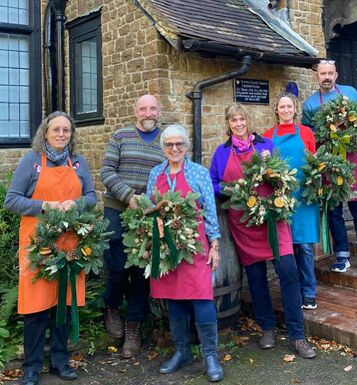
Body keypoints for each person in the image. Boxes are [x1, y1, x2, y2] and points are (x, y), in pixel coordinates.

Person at [210, 103, 316, 359]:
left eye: (242, 119)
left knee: (289, 275)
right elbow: (213, 182)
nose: (238, 124)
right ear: (228, 124)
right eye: (233, 120)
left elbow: (280, 175)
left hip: (272, 219)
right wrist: (229, 190)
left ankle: (297, 335)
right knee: (256, 280)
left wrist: (276, 181)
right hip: (244, 224)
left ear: (248, 121)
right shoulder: (222, 153)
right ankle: (267, 328)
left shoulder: (265, 146)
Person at [5, 111, 97, 385]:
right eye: (55, 129)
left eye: (66, 130)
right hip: (38, 246)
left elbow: (91, 197)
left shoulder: (78, 162)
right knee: (35, 309)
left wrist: (76, 205)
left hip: (70, 243)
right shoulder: (31, 162)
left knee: (63, 305)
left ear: (72, 134)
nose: (61, 134)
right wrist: (43, 205)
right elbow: (12, 200)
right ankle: (31, 367)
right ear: (45, 132)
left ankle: (60, 361)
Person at [146, 124, 223, 382]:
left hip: (195, 247)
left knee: (202, 299)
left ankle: (210, 355)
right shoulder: (155, 173)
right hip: (166, 249)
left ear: (186, 146)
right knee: (174, 299)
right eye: (169, 145)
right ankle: (182, 352)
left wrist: (215, 246)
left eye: (179, 144)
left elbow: (210, 212)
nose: (175, 149)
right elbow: (148, 209)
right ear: (163, 148)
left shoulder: (199, 173)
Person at [302, 60, 357, 275]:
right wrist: (314, 160)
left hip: (352, 155)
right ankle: (342, 256)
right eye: (322, 74)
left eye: (330, 73)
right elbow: (309, 135)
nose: (326, 77)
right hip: (327, 159)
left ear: (336, 75)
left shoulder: (350, 93)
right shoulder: (310, 104)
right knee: (334, 210)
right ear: (316, 77)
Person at [100, 94, 165, 358]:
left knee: (141, 272)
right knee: (115, 267)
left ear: (158, 112)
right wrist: (129, 196)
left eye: (152, 108)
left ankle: (133, 328)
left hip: (147, 215)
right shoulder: (120, 136)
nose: (148, 113)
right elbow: (106, 171)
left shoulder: (166, 139)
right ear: (135, 111)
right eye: (143, 108)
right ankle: (112, 307)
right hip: (117, 209)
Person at [263, 92, 320, 310]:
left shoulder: (306, 133)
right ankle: (291, 289)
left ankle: (309, 290)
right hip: (281, 197)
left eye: (289, 107)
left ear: (295, 109)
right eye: (282, 107)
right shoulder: (268, 136)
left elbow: (314, 162)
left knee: (305, 246)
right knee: (283, 248)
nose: (286, 110)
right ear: (276, 110)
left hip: (304, 197)